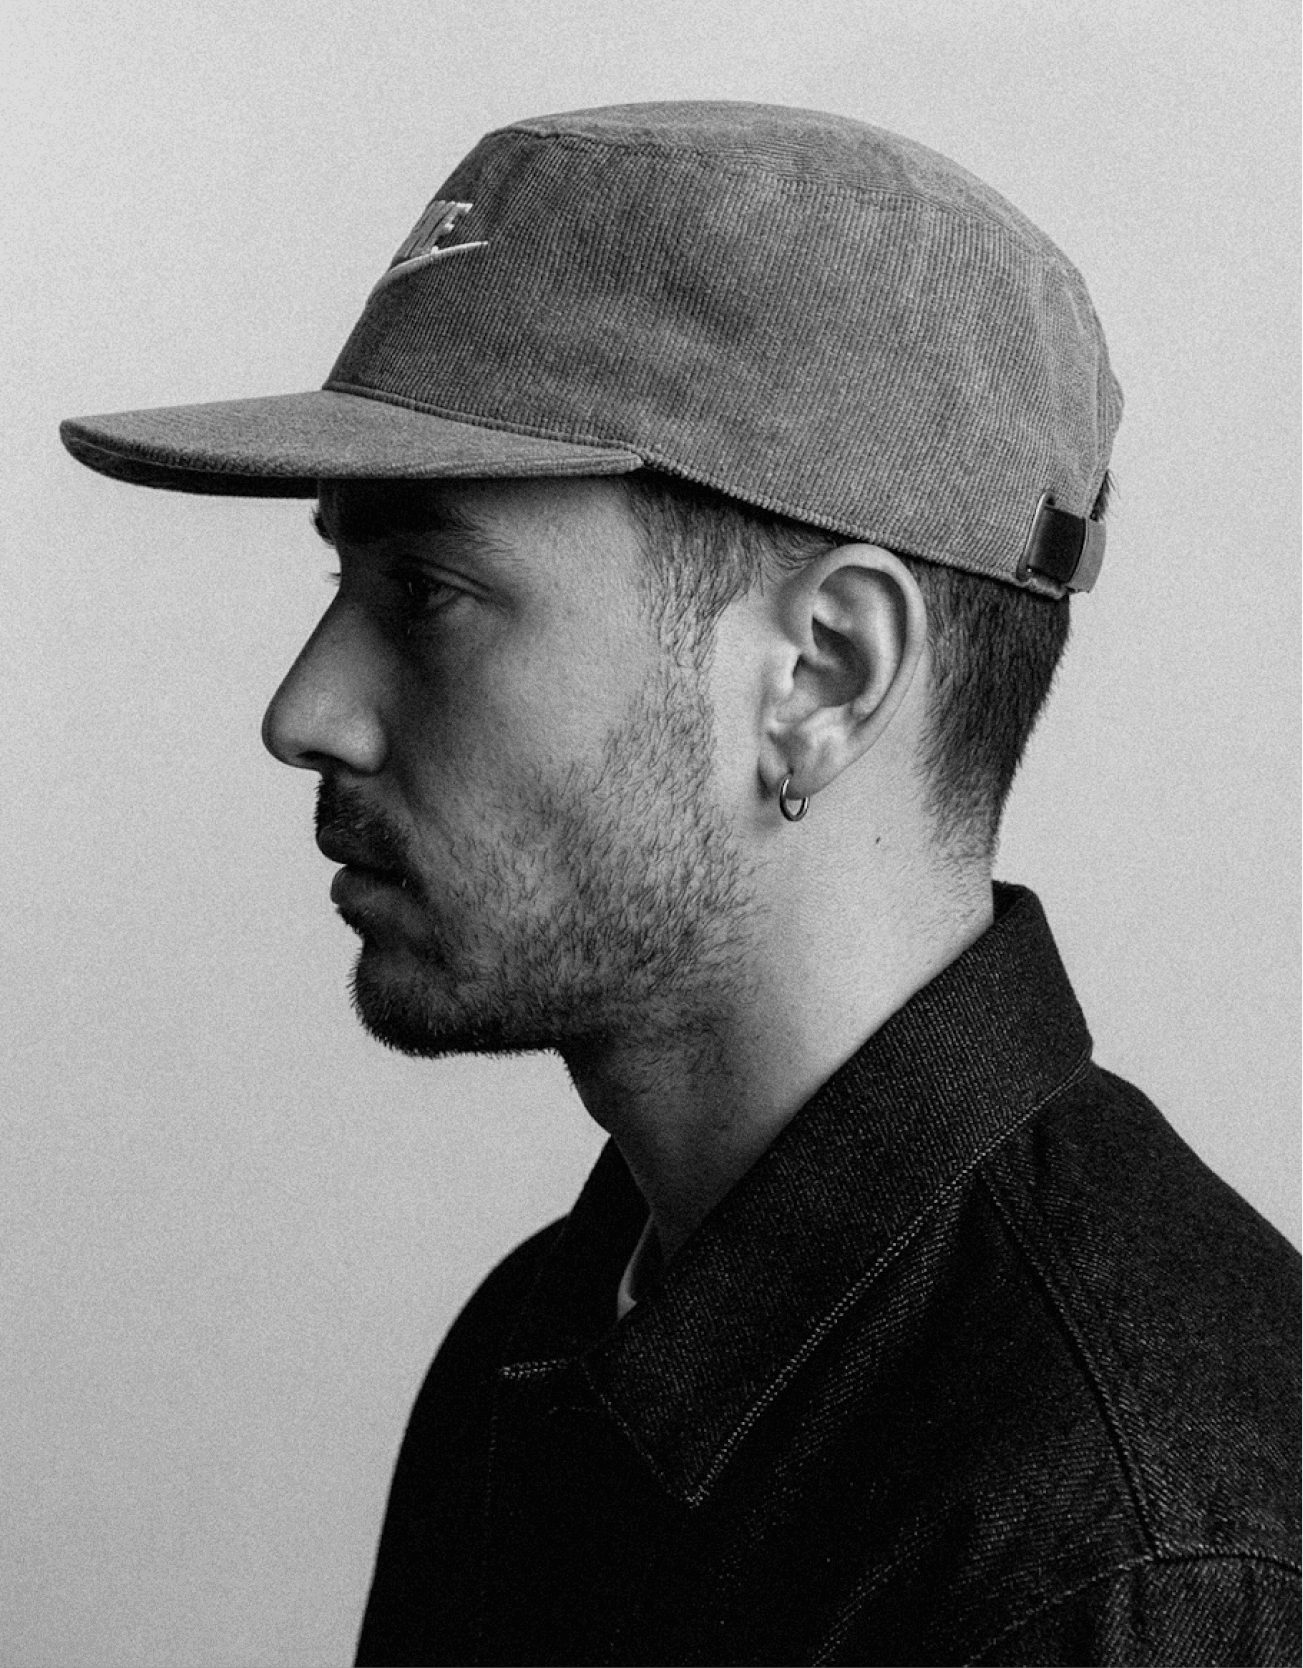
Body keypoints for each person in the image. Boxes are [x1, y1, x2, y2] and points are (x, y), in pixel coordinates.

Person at [61, 102, 1301, 1667]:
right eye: (340, 579)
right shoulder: (547, 1337)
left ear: (822, 673)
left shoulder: (1133, 1556)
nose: (304, 711)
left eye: (426, 590)